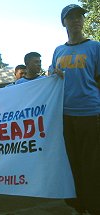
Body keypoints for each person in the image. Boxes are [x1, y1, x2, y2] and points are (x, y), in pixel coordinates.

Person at [50, 4, 100, 215]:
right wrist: (53, 72)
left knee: (92, 163)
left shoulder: (95, 47)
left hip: (90, 113)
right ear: (64, 23)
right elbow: (52, 79)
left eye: (80, 17)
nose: (77, 20)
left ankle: (94, 206)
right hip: (65, 115)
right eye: (71, 17)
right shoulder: (58, 50)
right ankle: (78, 206)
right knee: (71, 163)